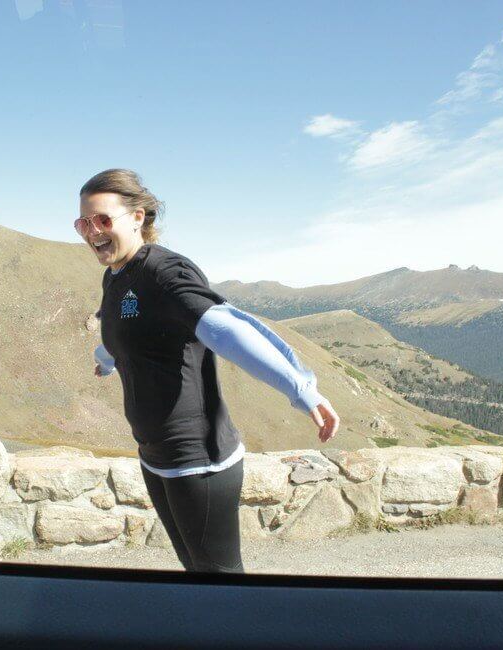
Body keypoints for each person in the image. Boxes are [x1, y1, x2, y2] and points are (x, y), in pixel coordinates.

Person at [77, 169, 340, 573]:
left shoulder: (165, 274)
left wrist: (301, 388)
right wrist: (107, 359)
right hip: (156, 456)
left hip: (200, 462)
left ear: (138, 218)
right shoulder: (116, 275)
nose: (92, 231)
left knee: (221, 580)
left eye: (103, 220)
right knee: (195, 571)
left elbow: (227, 330)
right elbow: (127, 329)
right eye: (84, 222)